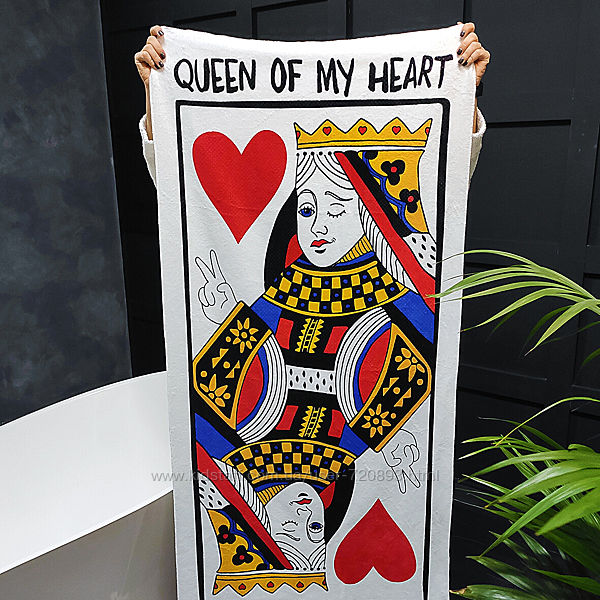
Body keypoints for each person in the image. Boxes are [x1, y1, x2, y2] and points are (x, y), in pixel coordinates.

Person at [134, 23, 491, 595]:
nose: (318, 225)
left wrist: (462, 96)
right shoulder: (277, 299)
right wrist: (161, 101)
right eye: (306, 206)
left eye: (338, 206)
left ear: (369, 214)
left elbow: (443, 191)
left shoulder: (404, 308)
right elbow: (183, 199)